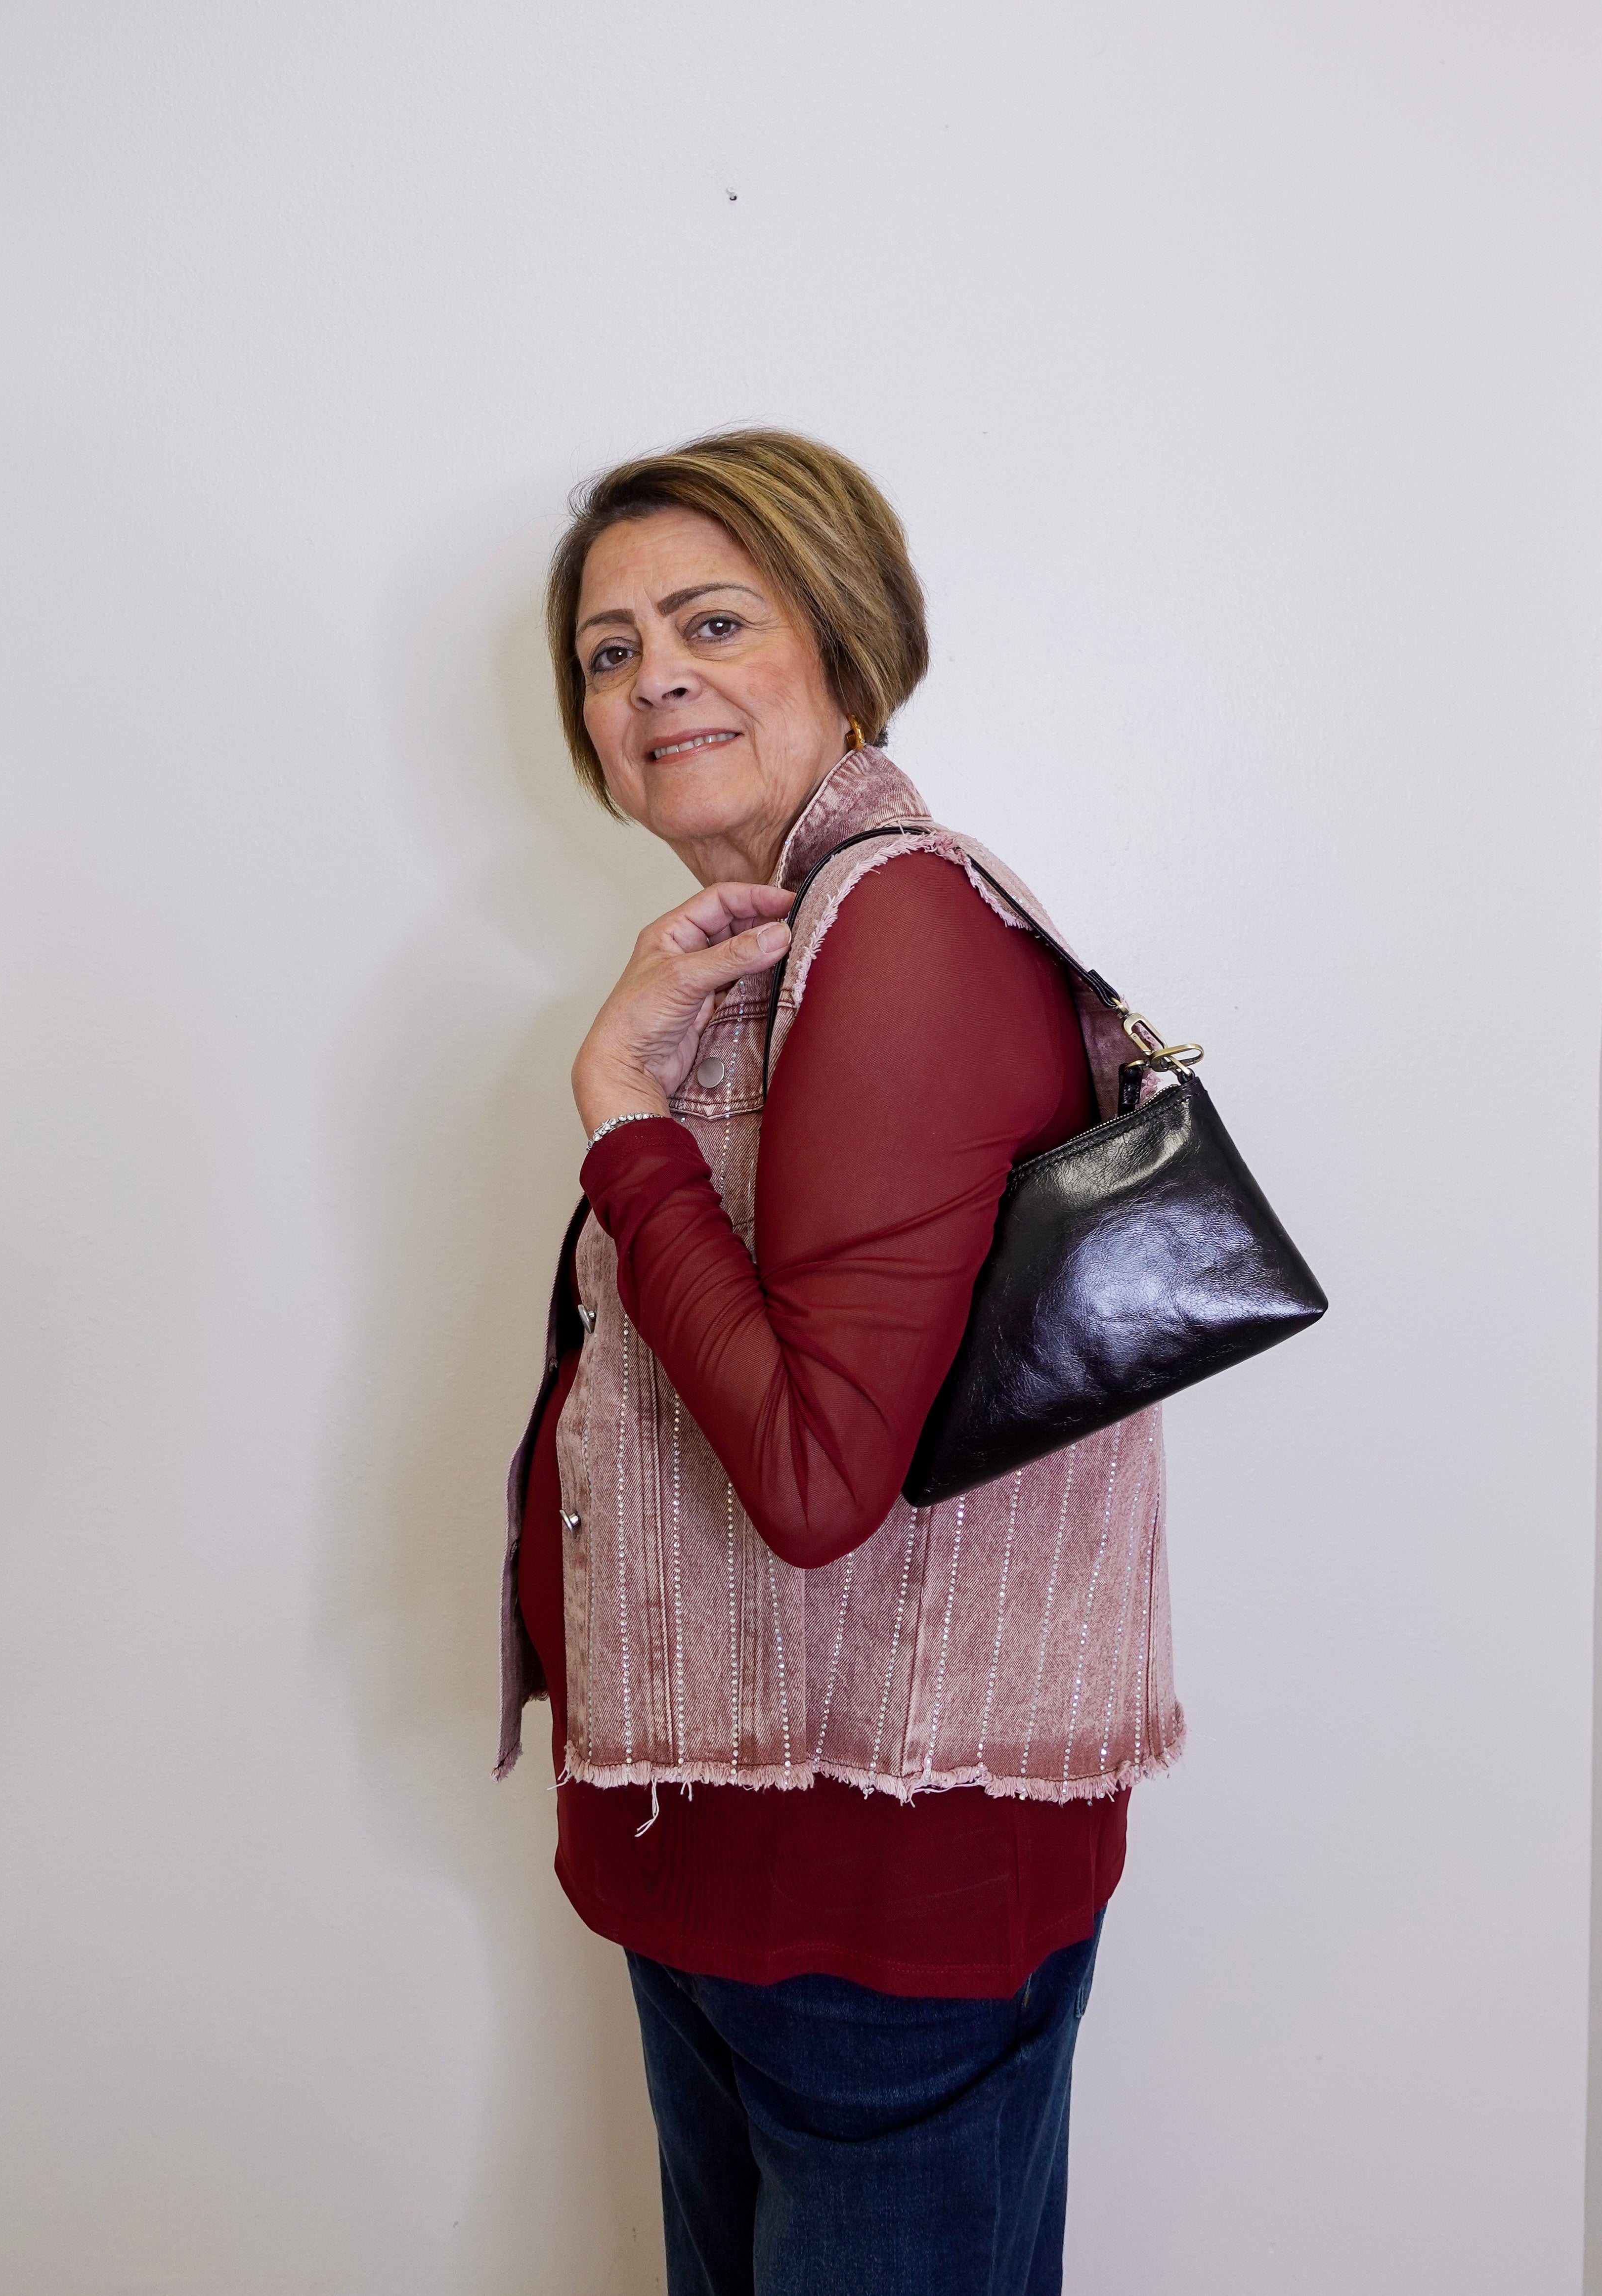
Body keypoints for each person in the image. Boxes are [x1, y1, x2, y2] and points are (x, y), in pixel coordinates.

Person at [498, 430, 1181, 2296]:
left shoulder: (903, 928)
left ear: (844, 642)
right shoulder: (781, 951)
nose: (655, 680)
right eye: (610, 653)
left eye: (711, 622)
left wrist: (620, 1109)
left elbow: (814, 1483)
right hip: (741, 1861)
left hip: (872, 1908)